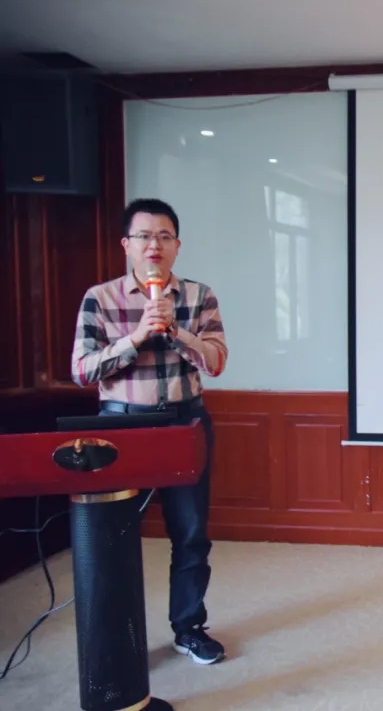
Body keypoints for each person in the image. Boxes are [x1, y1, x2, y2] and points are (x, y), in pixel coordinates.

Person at [71, 198, 228, 665]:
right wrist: (137, 336)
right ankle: (119, 638)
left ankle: (189, 628)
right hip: (121, 425)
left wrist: (176, 331)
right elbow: (82, 370)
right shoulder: (100, 298)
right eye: (143, 236)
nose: (153, 245)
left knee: (191, 532)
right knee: (113, 537)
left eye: (163, 236)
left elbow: (216, 362)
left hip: (185, 420)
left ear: (177, 245)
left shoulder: (199, 296)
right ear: (127, 245)